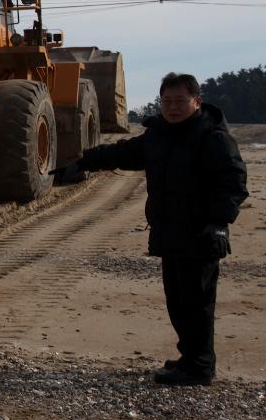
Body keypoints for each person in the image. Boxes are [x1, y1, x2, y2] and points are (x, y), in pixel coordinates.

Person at [60, 72, 248, 386]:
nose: (173, 107)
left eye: (180, 101)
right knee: (177, 301)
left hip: (200, 235)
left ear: (196, 102)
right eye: (167, 101)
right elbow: (123, 152)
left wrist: (219, 224)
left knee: (197, 302)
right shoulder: (159, 135)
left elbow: (233, 183)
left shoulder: (212, 137)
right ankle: (190, 358)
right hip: (169, 232)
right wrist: (84, 162)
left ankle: (200, 367)